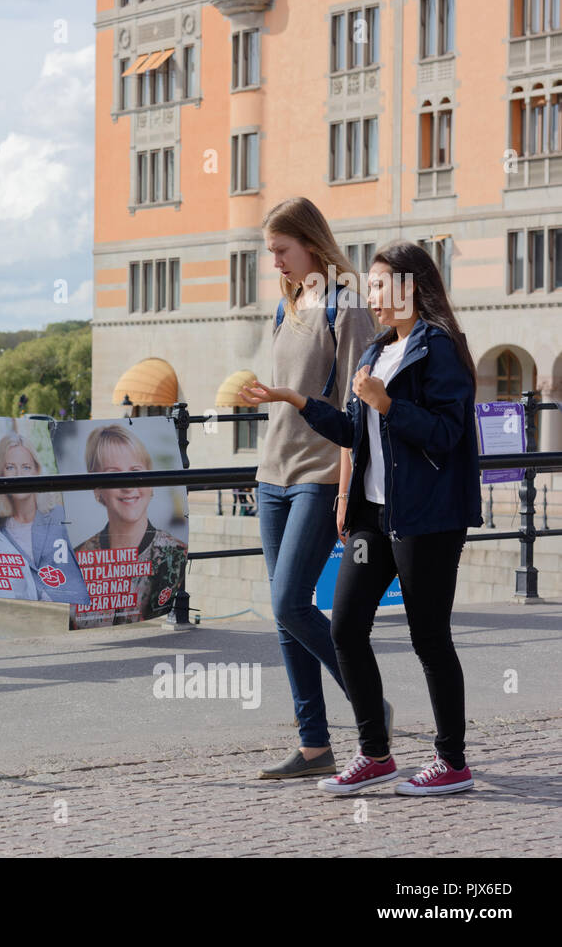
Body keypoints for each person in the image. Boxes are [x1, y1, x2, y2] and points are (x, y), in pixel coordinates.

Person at [242, 240, 481, 796]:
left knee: (430, 638)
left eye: (381, 286)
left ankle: (453, 762)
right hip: (374, 517)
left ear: (411, 287)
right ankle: (375, 753)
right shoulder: (376, 351)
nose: (372, 297)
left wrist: (388, 404)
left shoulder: (438, 349)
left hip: (426, 519)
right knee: (346, 627)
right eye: (370, 286)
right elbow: (354, 434)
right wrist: (294, 400)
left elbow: (447, 435)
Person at [236, 197, 382, 781]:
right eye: (270, 253)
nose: (276, 264)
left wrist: (347, 491)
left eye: (282, 251)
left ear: (312, 244)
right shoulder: (288, 306)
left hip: (320, 476)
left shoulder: (347, 309)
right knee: (285, 615)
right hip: (273, 475)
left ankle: (370, 706)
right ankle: (314, 744)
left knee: (290, 602)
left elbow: (357, 409)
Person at [72, 424, 186, 626]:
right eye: (113, 474)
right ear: (97, 488)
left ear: (151, 483)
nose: (127, 485)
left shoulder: (174, 554)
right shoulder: (78, 558)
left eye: (136, 471)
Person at [0, 432, 88, 604]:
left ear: (37, 471)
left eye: (26, 467)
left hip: (65, 614)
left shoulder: (60, 516)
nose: (18, 475)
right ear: (1, 473)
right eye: (10, 467)